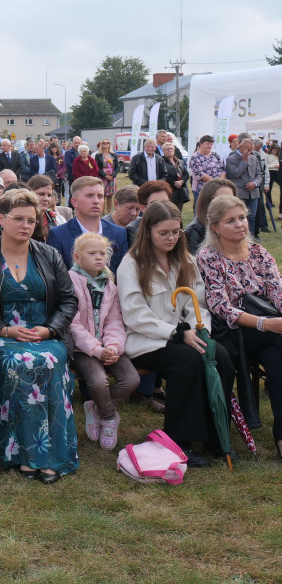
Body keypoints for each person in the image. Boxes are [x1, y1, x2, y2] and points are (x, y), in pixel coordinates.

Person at [0, 189, 78, 483]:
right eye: (18, 219)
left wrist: (50, 329)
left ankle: (51, 457)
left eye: (31, 219)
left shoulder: (49, 255)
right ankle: (25, 454)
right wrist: (4, 330)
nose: (26, 225)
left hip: (46, 335)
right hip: (0, 336)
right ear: (0, 218)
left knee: (49, 362)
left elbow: (69, 301)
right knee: (21, 365)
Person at [118, 201, 235, 466]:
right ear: (148, 232)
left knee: (221, 358)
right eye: (164, 233)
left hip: (184, 335)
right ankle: (178, 440)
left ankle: (217, 435)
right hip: (146, 341)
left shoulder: (186, 260)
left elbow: (199, 305)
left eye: (176, 232)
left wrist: (197, 331)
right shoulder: (131, 263)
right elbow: (134, 313)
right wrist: (176, 333)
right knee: (188, 362)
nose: (171, 238)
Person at [197, 194, 282, 460]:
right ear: (215, 227)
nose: (240, 224)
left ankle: (281, 434)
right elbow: (220, 305)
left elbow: (277, 293)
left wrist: (271, 323)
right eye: (230, 220)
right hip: (233, 330)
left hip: (270, 329)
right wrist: (264, 323)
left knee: (275, 358)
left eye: (242, 218)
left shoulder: (259, 252)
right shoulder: (208, 256)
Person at [68, 233, 139, 451]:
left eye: (102, 253)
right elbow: (73, 324)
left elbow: (114, 320)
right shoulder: (70, 282)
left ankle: (95, 409)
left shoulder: (109, 284)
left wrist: (113, 346)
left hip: (107, 345)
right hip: (83, 349)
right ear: (77, 257)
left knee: (131, 379)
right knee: (98, 382)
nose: (99, 258)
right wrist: (97, 350)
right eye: (92, 253)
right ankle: (109, 417)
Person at [47, 177, 129, 275]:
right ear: (74, 202)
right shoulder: (58, 235)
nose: (96, 201)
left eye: (100, 196)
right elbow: (57, 276)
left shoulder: (119, 233)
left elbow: (123, 273)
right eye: (89, 196)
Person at [184, 178, 236, 255]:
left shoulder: (237, 225)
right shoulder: (195, 230)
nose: (227, 204)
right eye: (221, 199)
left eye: (231, 199)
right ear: (207, 202)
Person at [226, 138, 263, 239]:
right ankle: (241, 237)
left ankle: (250, 238)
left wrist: (254, 183)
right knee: (240, 216)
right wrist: (244, 161)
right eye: (247, 149)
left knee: (252, 216)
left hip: (253, 192)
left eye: (251, 150)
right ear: (240, 147)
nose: (249, 152)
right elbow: (235, 174)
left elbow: (260, 174)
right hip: (240, 192)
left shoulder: (254, 158)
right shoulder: (231, 159)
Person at [124, 180, 174, 249]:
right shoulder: (134, 229)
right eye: (155, 204)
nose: (163, 207)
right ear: (143, 207)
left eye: (166, 202)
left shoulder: (175, 226)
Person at [189, 134, 226, 208]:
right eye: (207, 143)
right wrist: (215, 182)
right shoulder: (195, 157)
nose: (209, 146)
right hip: (201, 190)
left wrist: (221, 181)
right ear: (200, 144)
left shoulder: (215, 155)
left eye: (211, 144)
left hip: (216, 189)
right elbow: (200, 174)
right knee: (201, 213)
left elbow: (223, 169)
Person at [162, 143, 189, 211]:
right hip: (169, 191)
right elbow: (163, 175)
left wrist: (181, 181)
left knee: (178, 212)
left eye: (171, 148)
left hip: (180, 191)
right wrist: (174, 182)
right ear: (163, 151)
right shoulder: (161, 162)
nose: (170, 150)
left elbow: (186, 174)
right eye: (167, 149)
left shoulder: (180, 161)